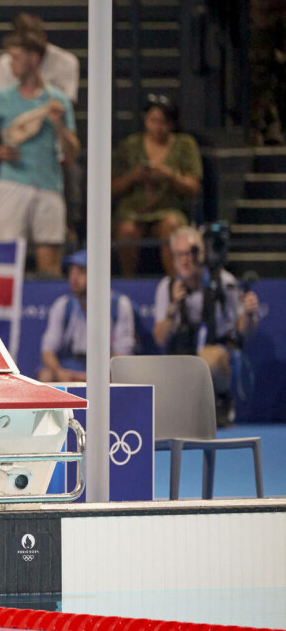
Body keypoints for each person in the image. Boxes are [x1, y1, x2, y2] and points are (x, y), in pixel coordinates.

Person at [0, 31, 79, 276]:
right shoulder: (1, 98)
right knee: (7, 262)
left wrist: (58, 125)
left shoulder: (58, 100)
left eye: (15, 58)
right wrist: (0, 152)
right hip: (11, 185)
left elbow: (74, 151)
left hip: (49, 185)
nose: (10, 64)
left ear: (34, 59)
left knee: (50, 264)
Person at [152, 226, 260, 427]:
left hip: (218, 358)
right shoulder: (167, 287)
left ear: (202, 254)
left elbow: (244, 331)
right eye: (179, 254)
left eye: (190, 253)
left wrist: (250, 314)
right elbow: (160, 338)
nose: (185, 260)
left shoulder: (223, 282)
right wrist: (173, 307)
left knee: (205, 361)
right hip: (181, 359)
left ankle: (222, 402)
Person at [112, 94, 203, 277]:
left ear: (172, 123)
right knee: (126, 229)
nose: (158, 127)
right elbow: (111, 187)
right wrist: (133, 177)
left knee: (171, 224)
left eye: (163, 122)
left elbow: (193, 186)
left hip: (169, 209)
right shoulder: (130, 145)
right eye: (153, 121)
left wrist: (170, 176)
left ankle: (175, 281)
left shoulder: (185, 144)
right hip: (134, 211)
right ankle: (127, 280)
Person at [37, 249, 135, 383]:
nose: (74, 277)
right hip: (69, 365)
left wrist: (90, 376)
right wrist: (59, 372)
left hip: (103, 367)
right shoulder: (63, 305)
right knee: (46, 376)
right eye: (72, 271)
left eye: (82, 271)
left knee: (121, 375)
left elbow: (121, 356)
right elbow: (48, 351)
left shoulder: (119, 305)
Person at [0, 13, 79, 105]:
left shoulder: (67, 61)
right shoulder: (5, 62)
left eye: (33, 47)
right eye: (24, 49)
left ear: (43, 38)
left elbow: (66, 105)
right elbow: (1, 104)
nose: (30, 53)